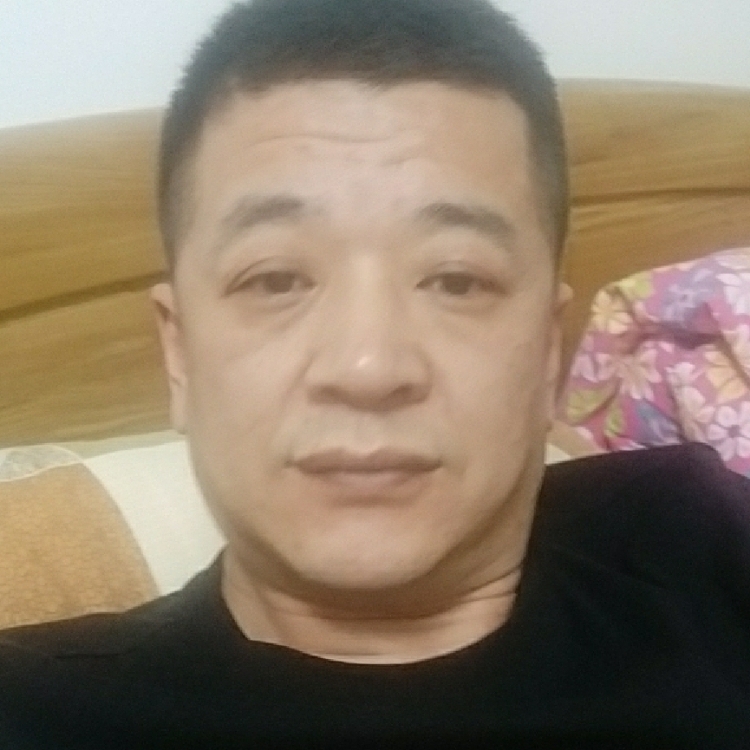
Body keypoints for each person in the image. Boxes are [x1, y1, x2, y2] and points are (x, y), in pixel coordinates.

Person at [1, 0, 749, 747]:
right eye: (275, 280)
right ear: (180, 354)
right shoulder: (37, 709)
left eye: (457, 280)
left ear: (548, 348)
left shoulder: (694, 539)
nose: (369, 368)